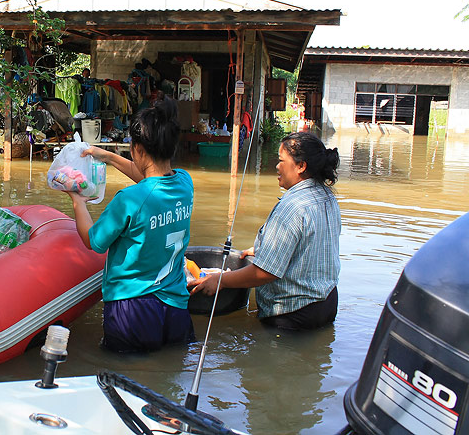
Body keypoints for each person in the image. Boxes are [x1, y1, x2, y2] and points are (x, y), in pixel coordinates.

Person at [66, 101, 195, 352]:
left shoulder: (129, 199)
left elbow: (94, 241)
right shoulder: (185, 183)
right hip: (176, 308)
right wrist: (110, 157)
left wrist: (78, 201)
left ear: (137, 148)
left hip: (132, 310)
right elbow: (151, 181)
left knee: (123, 378)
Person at [189, 132, 340, 330]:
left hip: (293, 312)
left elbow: (265, 273)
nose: (277, 166)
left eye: (281, 161)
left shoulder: (292, 206)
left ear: (301, 166)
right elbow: (311, 246)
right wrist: (263, 248)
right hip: (327, 302)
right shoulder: (326, 196)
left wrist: (220, 280)